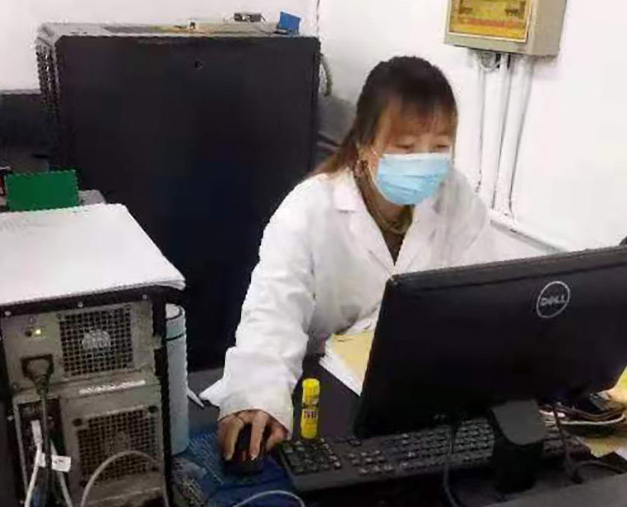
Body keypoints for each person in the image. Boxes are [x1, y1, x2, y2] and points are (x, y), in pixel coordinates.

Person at [203, 56, 499, 461]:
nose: (424, 161)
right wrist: (257, 395)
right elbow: (273, 310)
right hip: (322, 389)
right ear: (364, 143)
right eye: (406, 147)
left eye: (439, 148)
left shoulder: (455, 196)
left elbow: (483, 295)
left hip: (415, 388)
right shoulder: (309, 209)